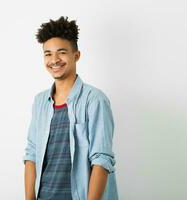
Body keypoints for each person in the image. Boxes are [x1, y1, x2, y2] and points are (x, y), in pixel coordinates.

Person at [23, 16, 118, 200]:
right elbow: (31, 154)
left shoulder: (95, 100)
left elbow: (101, 160)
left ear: (76, 55)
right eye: (48, 54)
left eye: (61, 52)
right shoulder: (40, 102)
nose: (54, 59)